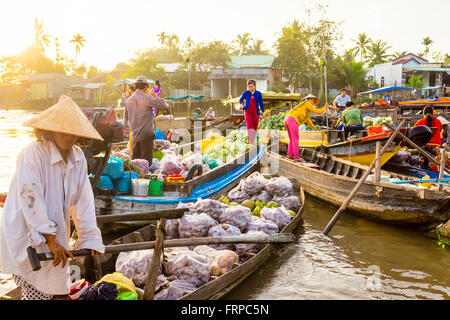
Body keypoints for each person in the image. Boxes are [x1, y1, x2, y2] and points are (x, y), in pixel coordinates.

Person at [0, 95, 105, 300]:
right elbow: (30, 196)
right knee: (37, 289)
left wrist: (89, 237)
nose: (69, 135)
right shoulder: (32, 152)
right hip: (25, 235)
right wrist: (49, 238)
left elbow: (84, 200)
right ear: (51, 129)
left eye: (73, 131)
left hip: (54, 237)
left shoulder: (77, 157)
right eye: (63, 129)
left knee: (54, 288)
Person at [125, 76, 169, 166]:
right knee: (145, 163)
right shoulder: (147, 98)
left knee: (135, 163)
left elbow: (125, 119)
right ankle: (145, 179)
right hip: (146, 135)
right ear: (147, 87)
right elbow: (163, 105)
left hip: (135, 135)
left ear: (135, 86)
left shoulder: (129, 100)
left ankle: (136, 179)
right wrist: (156, 96)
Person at [284, 94, 329, 162]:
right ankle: (296, 157)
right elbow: (316, 110)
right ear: (309, 99)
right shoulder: (307, 102)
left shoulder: (305, 109)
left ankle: (289, 154)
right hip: (292, 119)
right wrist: (324, 108)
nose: (313, 102)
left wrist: (314, 128)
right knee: (295, 138)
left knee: (292, 138)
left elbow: (308, 120)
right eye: (313, 100)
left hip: (287, 119)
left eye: (314, 101)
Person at [414, 106, 443, 171]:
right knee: (434, 164)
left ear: (424, 114)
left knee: (423, 163)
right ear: (433, 113)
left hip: (424, 144)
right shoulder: (438, 121)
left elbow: (414, 132)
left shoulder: (420, 122)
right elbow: (440, 131)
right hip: (436, 145)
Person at [239, 80, 265, 144]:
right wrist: (241, 104)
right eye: (249, 87)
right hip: (248, 113)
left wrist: (263, 112)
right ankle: (251, 144)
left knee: (254, 129)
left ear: (255, 86)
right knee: (250, 128)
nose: (250, 88)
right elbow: (240, 100)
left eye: (252, 86)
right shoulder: (246, 93)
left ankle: (253, 142)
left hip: (256, 114)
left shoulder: (258, 94)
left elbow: (261, 103)